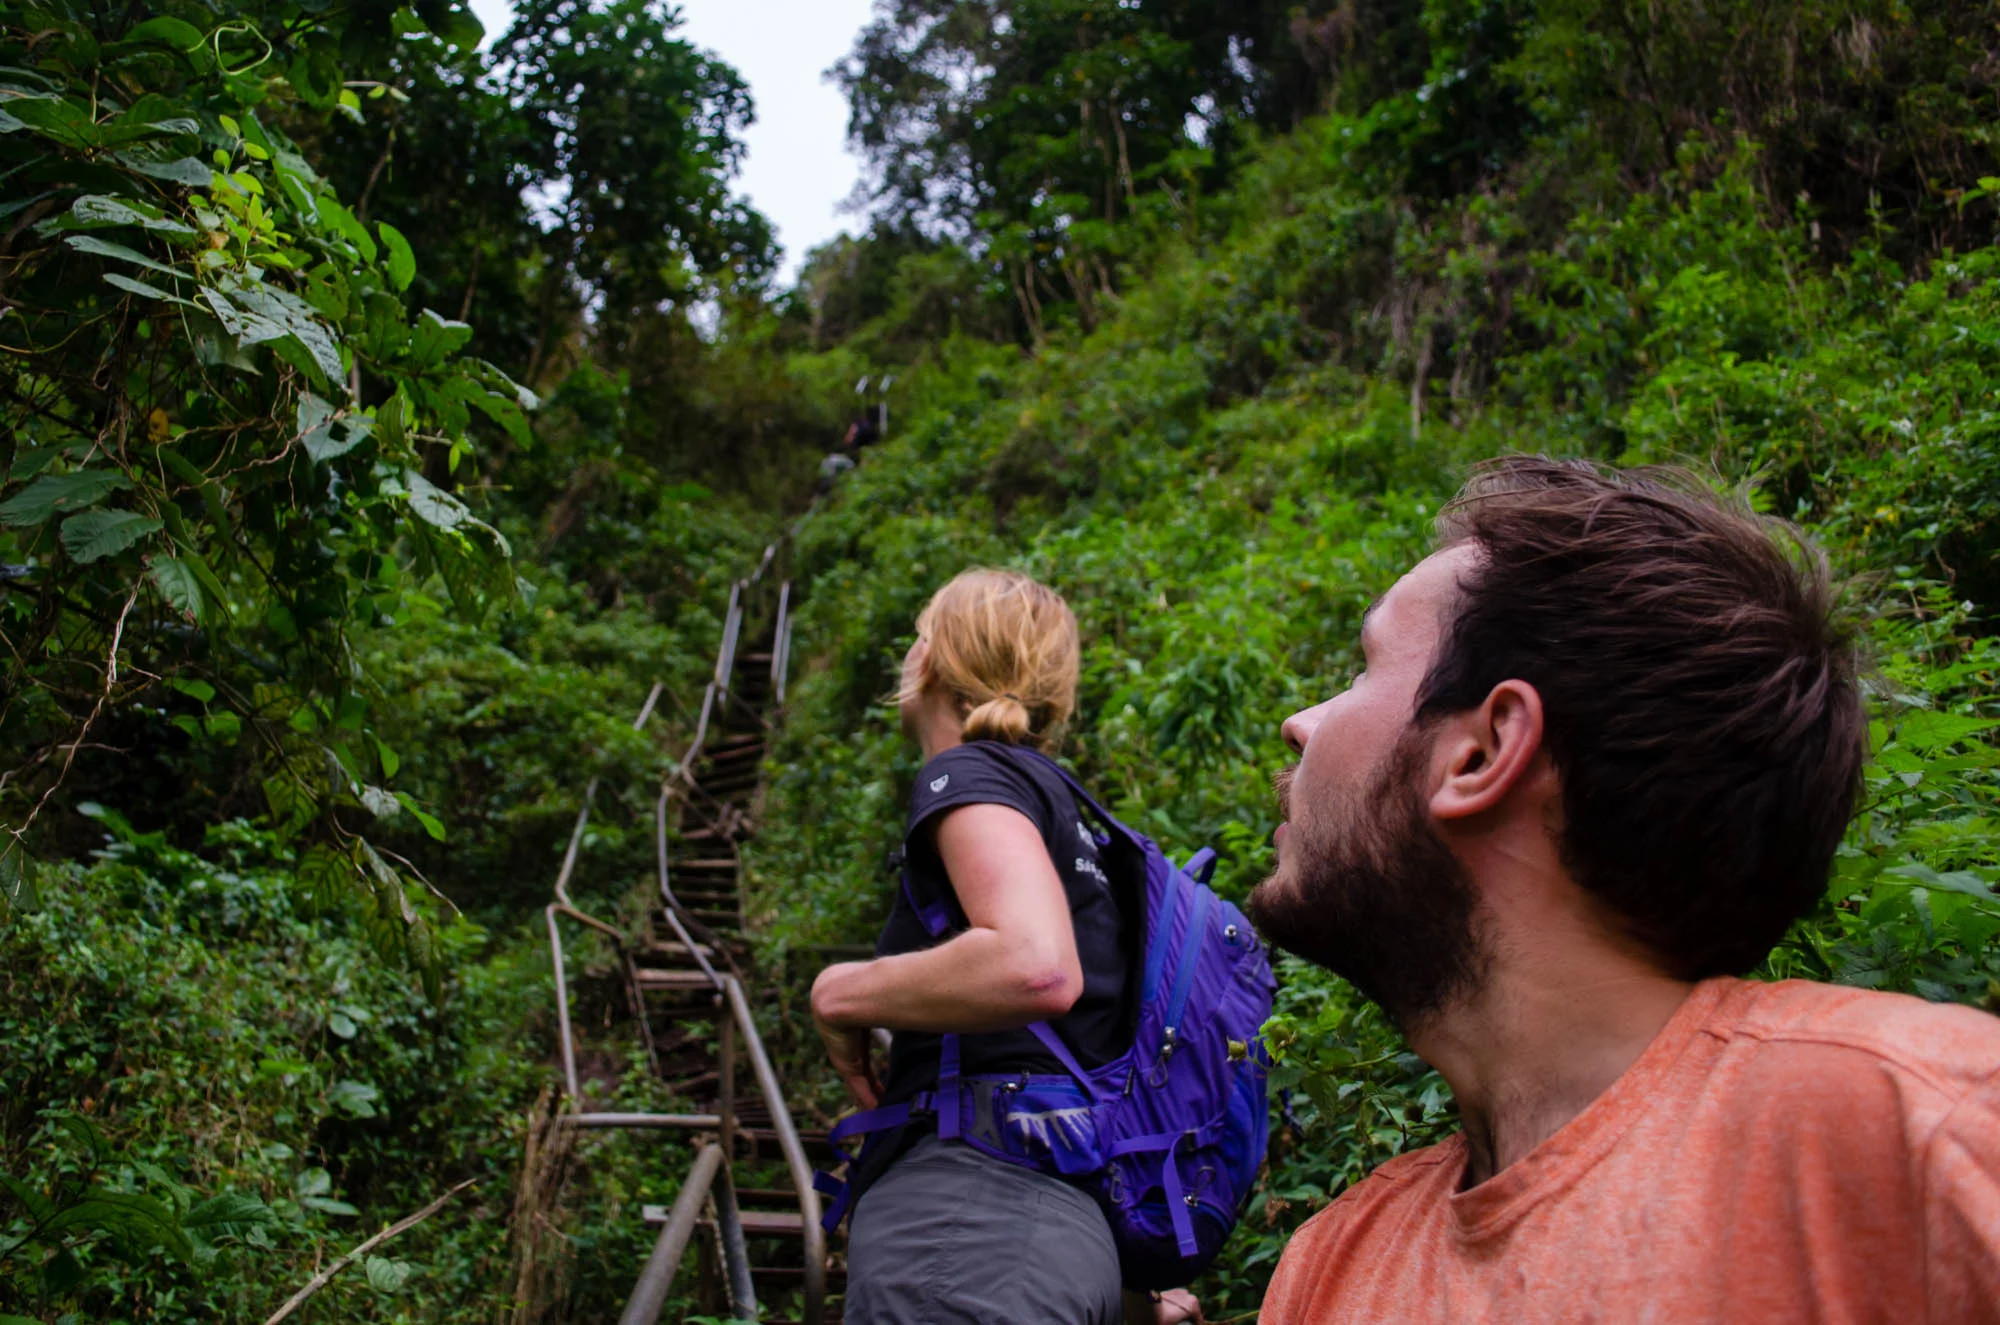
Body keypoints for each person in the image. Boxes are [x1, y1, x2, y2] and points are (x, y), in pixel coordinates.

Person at [1249, 456, 2000, 1321]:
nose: (1299, 725)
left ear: (1484, 751)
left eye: (1362, 666)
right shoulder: (1333, 1270)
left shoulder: (1922, 1134)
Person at [811, 568, 1201, 1325]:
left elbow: (1034, 964)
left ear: (928, 659)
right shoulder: (1076, 817)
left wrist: (840, 990)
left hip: (966, 1228)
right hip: (1065, 1233)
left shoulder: (971, 775)